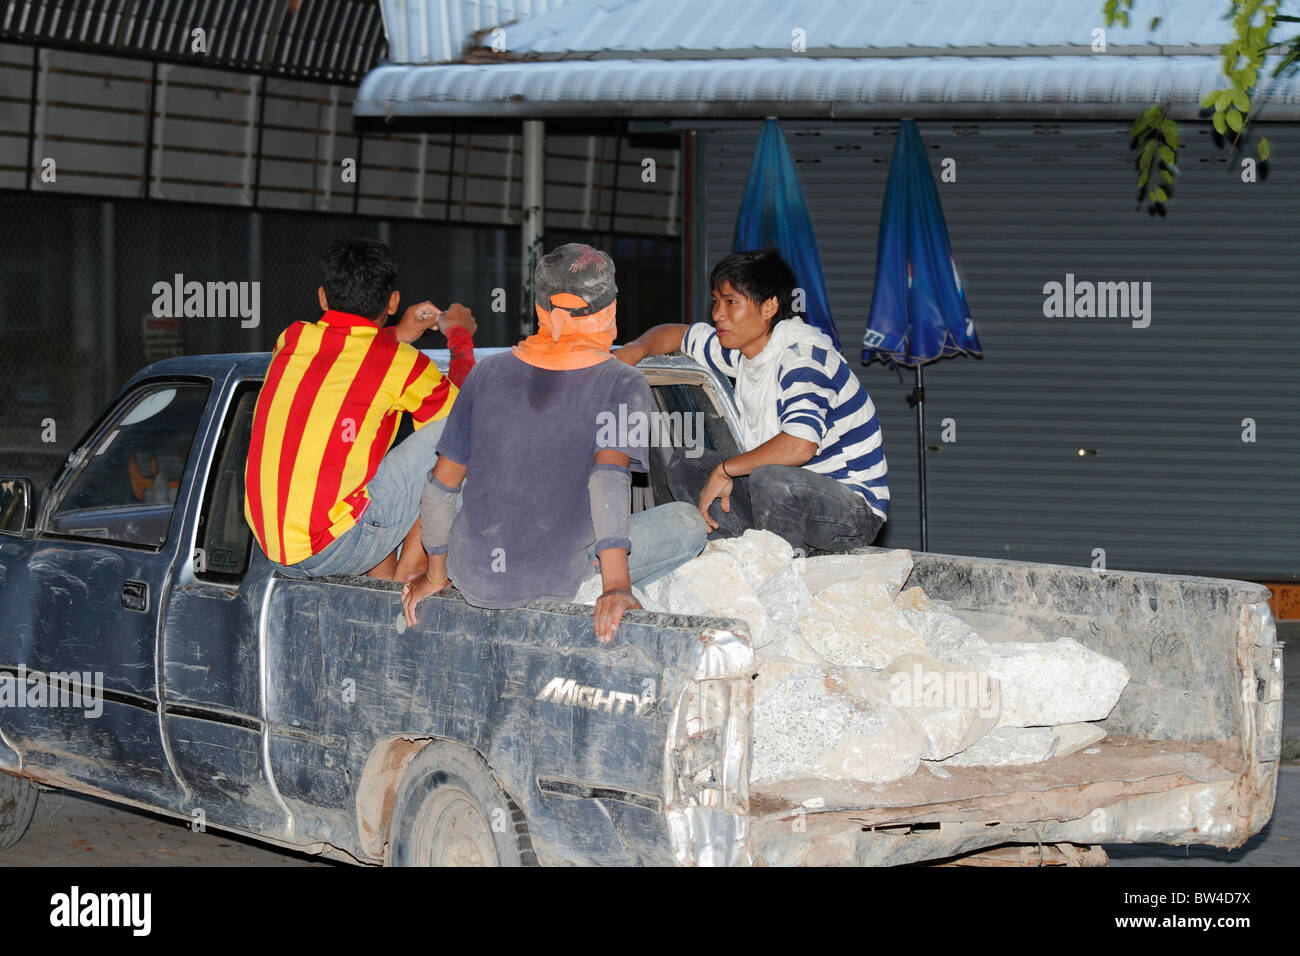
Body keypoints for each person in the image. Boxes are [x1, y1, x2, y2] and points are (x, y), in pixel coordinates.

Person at [401, 243, 707, 642]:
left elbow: (441, 486)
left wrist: (436, 575)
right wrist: (616, 587)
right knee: (688, 522)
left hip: (475, 577)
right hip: (555, 581)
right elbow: (609, 481)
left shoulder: (487, 372)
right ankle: (597, 578)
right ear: (611, 310)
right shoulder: (623, 381)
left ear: (541, 311)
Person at [614, 248, 888, 552]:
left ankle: (779, 570)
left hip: (851, 510)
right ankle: (736, 554)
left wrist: (726, 469)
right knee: (687, 464)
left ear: (769, 306)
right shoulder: (743, 350)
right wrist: (635, 349)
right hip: (780, 491)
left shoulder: (803, 358)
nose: (718, 314)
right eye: (716, 302)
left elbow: (800, 445)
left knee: (771, 479)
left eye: (731, 302)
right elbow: (677, 334)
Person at [244, 236, 477, 582]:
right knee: (462, 431)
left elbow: (351, 356)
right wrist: (459, 336)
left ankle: (383, 574)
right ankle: (411, 569)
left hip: (272, 549)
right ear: (394, 301)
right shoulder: (401, 364)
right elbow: (467, 411)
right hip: (335, 548)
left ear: (323, 296)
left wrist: (395, 334)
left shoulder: (291, 339)